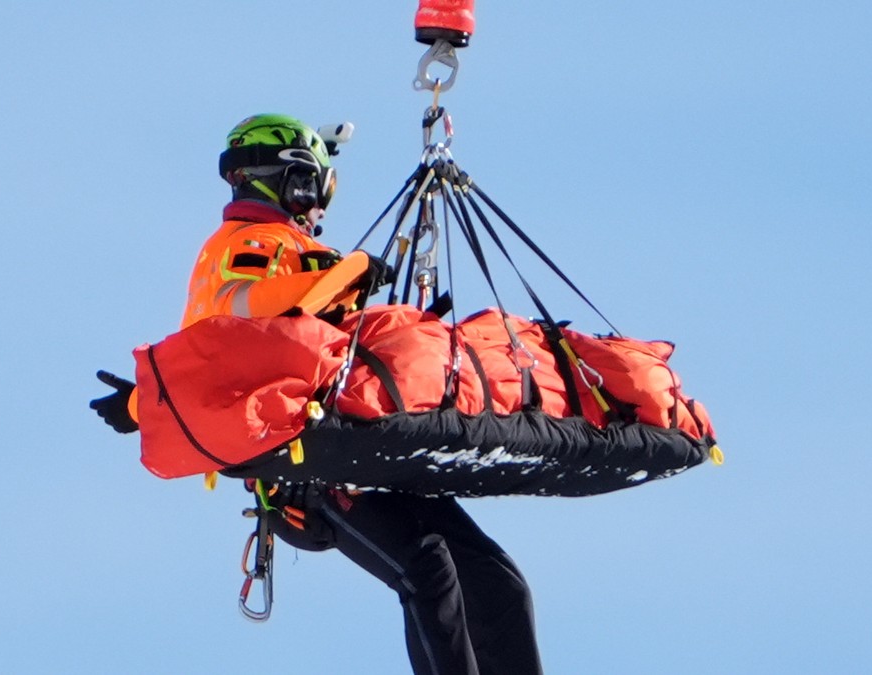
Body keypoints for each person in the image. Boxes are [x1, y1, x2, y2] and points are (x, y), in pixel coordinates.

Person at [91, 114, 543, 675]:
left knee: (498, 582)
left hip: (358, 441)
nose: (316, 205)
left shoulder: (289, 247)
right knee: (426, 570)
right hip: (306, 463)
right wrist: (341, 276)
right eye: (311, 186)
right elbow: (242, 311)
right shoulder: (245, 243)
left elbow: (313, 336)